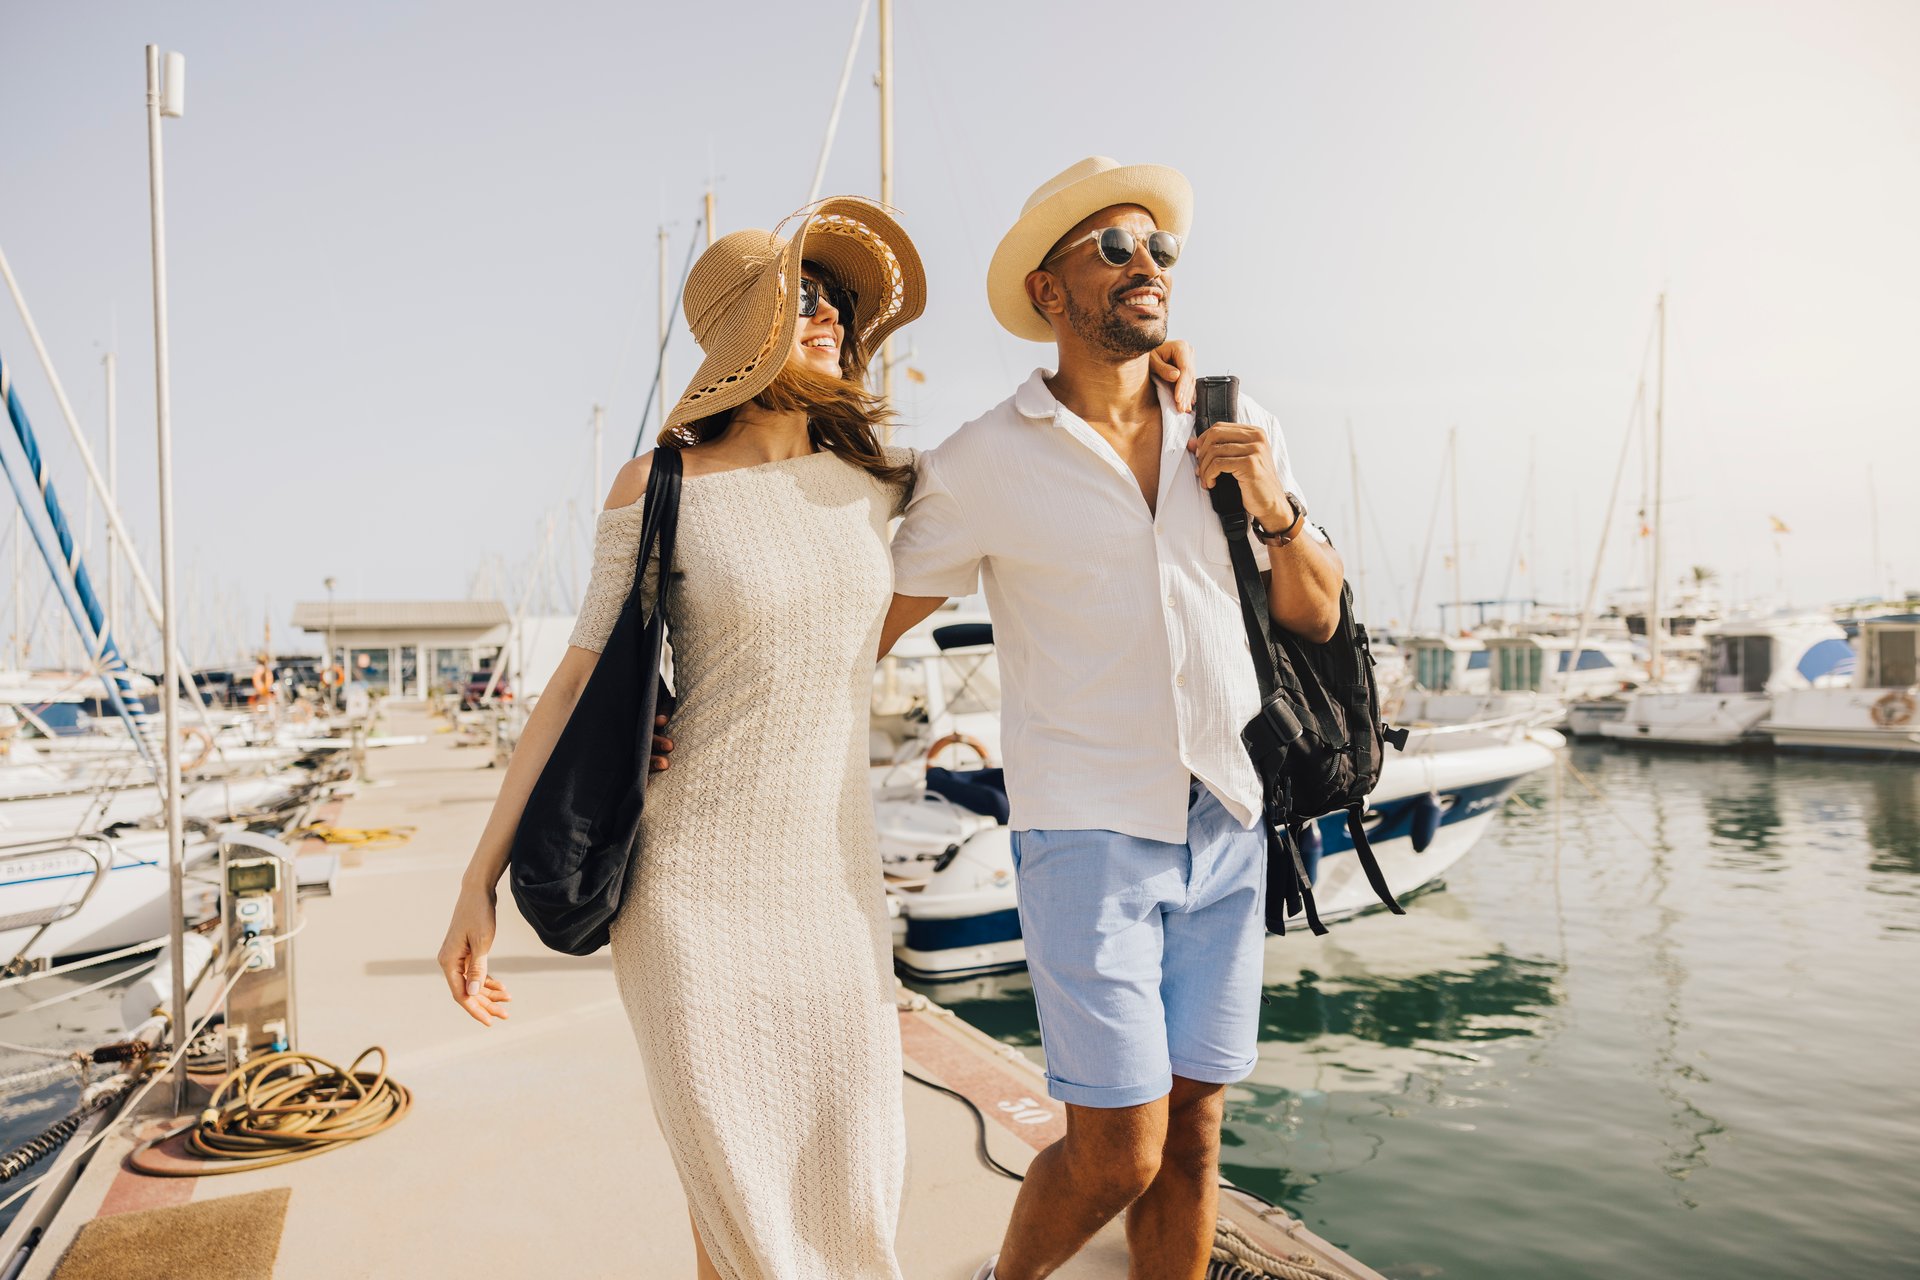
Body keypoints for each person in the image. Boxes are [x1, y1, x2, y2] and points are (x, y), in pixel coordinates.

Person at [435, 190, 1201, 1280]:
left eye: (837, 298)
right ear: (743, 334)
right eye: (801, 299)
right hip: (689, 892)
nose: (831, 314)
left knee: (833, 1194)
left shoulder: (887, 485)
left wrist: (1160, 385)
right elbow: (569, 686)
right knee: (737, 1191)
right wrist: (478, 879)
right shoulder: (661, 486)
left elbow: (1047, 468)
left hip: (835, 893)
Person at [879, 157, 1347, 1280]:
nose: (1150, 267)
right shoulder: (983, 460)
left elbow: (1320, 614)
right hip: (1087, 829)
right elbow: (861, 624)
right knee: (1117, 1149)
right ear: (1051, 294)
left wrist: (1273, 504)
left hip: (1230, 814)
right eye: (1117, 249)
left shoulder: (1231, 421)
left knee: (1194, 1135)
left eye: (1162, 249)